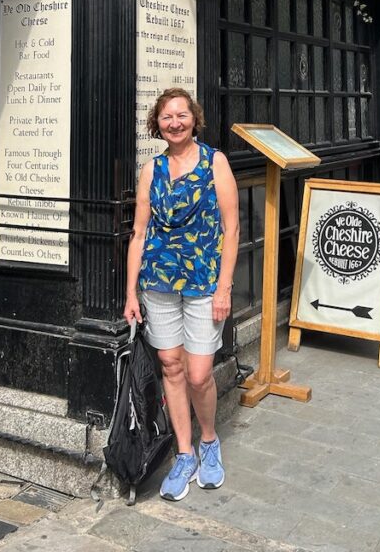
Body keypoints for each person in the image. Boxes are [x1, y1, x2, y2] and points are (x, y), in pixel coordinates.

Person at [123, 88, 240, 502]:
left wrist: (226, 285)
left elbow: (231, 228)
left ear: (194, 119)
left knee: (198, 373)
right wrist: (130, 291)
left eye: (181, 115)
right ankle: (184, 452)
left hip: (205, 282)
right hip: (157, 282)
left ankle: (209, 440)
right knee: (171, 366)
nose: (175, 123)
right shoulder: (151, 169)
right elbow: (139, 232)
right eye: (166, 117)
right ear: (157, 124)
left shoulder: (215, 162)